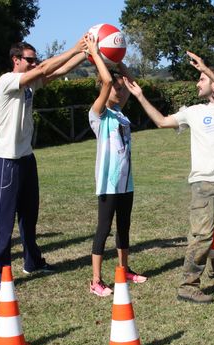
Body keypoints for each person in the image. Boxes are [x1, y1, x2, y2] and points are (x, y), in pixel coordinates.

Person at [125, 51, 214, 303]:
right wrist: (140, 96)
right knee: (202, 235)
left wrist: (206, 68)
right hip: (203, 184)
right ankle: (187, 285)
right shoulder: (193, 111)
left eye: (201, 79)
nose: (197, 83)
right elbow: (161, 121)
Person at [0, 38, 87, 292]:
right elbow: (44, 69)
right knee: (4, 219)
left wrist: (87, 55)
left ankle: (32, 261)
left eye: (35, 59)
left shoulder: (29, 86)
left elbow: (58, 71)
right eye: (29, 59)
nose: (35, 63)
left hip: (26, 157)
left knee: (29, 216)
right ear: (16, 60)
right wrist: (76, 47)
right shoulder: (6, 81)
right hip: (7, 159)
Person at [85, 35, 147, 297]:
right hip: (108, 183)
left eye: (120, 89)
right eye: (115, 88)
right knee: (104, 229)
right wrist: (95, 52)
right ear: (104, 90)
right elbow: (108, 80)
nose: (119, 91)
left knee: (124, 227)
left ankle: (124, 269)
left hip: (126, 181)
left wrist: (120, 61)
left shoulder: (120, 113)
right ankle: (96, 280)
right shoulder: (98, 114)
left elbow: (131, 83)